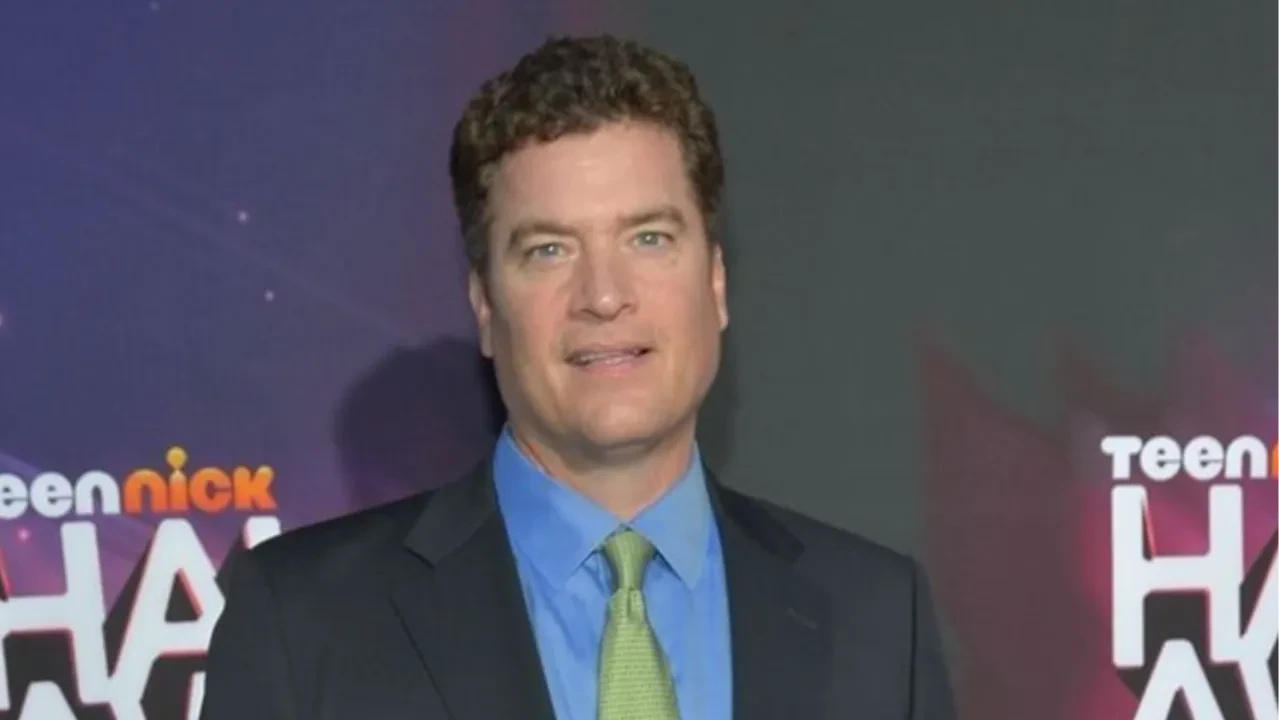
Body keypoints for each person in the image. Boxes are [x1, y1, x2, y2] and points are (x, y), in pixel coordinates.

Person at [201, 34, 956, 720]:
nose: (603, 294)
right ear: (485, 307)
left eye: (649, 238)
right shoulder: (303, 621)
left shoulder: (878, 616)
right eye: (550, 251)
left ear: (717, 283)